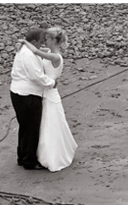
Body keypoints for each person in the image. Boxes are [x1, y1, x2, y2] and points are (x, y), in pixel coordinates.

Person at [19, 27, 78, 172]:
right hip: (46, 91)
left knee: (50, 123)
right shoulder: (50, 52)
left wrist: (24, 42)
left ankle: (52, 156)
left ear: (53, 40)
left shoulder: (56, 56)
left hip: (50, 93)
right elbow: (39, 51)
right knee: (45, 123)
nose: (44, 42)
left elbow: (36, 52)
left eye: (46, 39)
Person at [10, 28, 56, 170]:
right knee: (32, 129)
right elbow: (36, 76)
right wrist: (51, 83)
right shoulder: (28, 54)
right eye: (41, 41)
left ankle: (22, 156)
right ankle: (29, 161)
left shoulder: (23, 49)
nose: (42, 44)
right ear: (34, 41)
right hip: (28, 95)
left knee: (24, 127)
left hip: (17, 92)